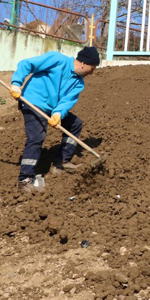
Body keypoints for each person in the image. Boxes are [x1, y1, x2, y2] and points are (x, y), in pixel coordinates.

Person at [9, 46, 100, 191]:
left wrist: (58, 114)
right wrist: (16, 84)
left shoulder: (79, 83)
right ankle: (25, 179)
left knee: (74, 124)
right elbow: (26, 64)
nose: (93, 72)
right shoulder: (56, 60)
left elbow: (66, 101)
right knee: (36, 137)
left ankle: (61, 162)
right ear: (83, 63)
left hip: (50, 109)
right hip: (33, 102)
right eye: (92, 67)